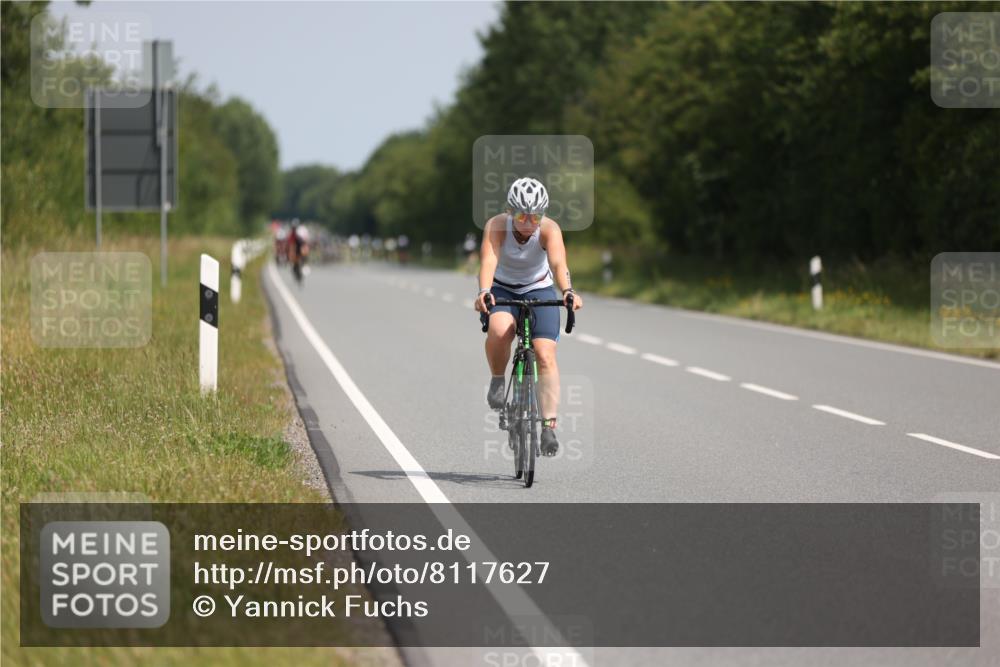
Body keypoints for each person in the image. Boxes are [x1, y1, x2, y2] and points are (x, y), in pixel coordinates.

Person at [474, 177, 583, 456]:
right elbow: (488, 260)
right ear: (510, 211)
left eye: (536, 216)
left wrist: (568, 291)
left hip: (539, 288)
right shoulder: (497, 225)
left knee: (545, 355)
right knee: (499, 331)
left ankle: (548, 426)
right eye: (522, 215)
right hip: (503, 287)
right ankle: (497, 380)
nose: (529, 222)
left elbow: (558, 263)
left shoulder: (549, 229)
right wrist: (484, 291)